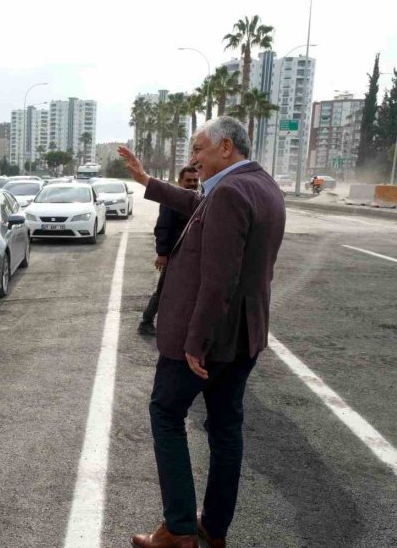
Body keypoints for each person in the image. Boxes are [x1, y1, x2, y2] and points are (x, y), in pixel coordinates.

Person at [117, 116, 286, 548]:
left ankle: (178, 529)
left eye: (200, 149)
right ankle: (213, 528)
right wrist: (148, 182)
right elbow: (200, 210)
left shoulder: (229, 191)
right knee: (226, 429)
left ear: (225, 147)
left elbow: (218, 279)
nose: (194, 159)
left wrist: (196, 341)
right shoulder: (260, 184)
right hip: (243, 337)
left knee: (165, 414)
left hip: (207, 341)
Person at [139, 166, 200, 337]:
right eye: (188, 180)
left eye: (195, 180)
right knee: (164, 289)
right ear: (180, 181)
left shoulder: (198, 198)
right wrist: (162, 254)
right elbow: (163, 227)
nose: (192, 184)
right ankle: (146, 321)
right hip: (174, 256)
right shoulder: (173, 199)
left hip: (193, 256)